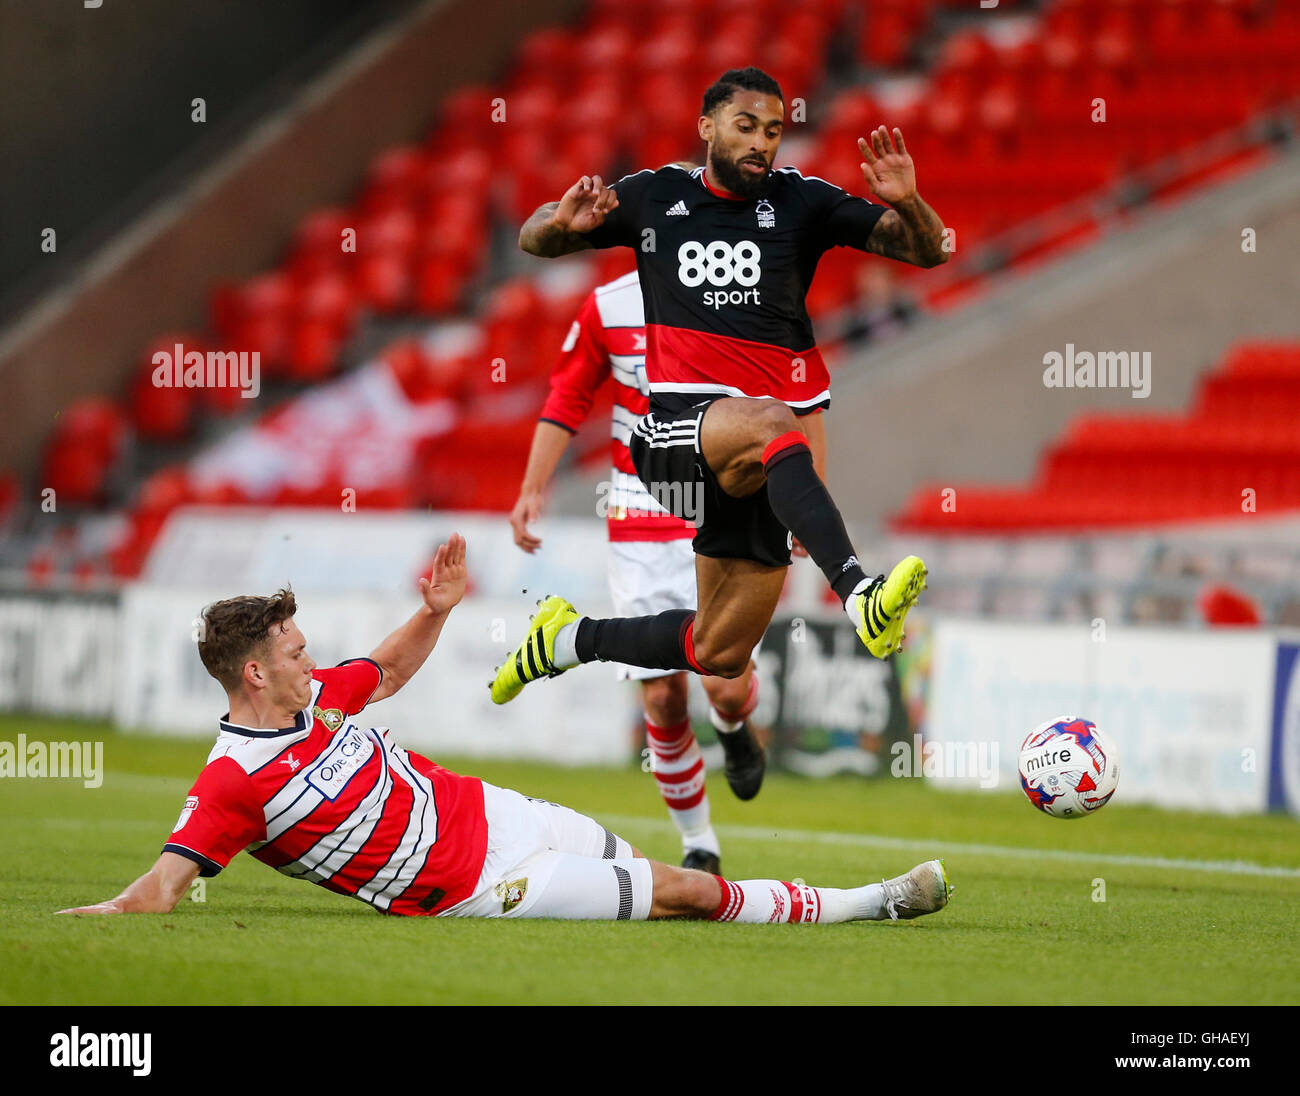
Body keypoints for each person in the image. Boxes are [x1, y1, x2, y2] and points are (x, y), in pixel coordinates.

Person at [57, 535, 952, 925]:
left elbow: (391, 668)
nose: (310, 656)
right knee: (679, 892)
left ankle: (808, 899)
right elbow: (162, 888)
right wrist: (83, 919)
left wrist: (436, 611)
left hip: (499, 812)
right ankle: (875, 904)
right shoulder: (231, 782)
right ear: (254, 672)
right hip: (479, 885)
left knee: (643, 878)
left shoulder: (320, 695)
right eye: (294, 649)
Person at [490, 66, 948, 707]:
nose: (762, 142)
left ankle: (564, 640)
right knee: (770, 418)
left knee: (721, 653)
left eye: (773, 130)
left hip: (753, 461)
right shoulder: (654, 196)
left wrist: (908, 201)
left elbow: (928, 252)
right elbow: (535, 237)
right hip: (673, 434)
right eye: (746, 126)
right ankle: (858, 592)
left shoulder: (802, 202)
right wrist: (558, 221)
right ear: (707, 128)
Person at [511, 260, 826, 873]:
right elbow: (569, 392)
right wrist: (533, 486)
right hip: (639, 521)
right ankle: (698, 844)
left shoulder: (742, 297)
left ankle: (735, 728)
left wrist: (804, 499)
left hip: (728, 506)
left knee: (725, 686)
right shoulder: (608, 305)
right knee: (662, 699)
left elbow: (798, 397)